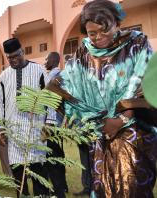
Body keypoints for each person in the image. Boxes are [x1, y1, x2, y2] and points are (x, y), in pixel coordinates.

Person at [47, 0, 157, 197]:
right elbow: (70, 81)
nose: (99, 37)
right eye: (92, 33)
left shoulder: (136, 43)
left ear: (117, 23)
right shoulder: (84, 51)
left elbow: (146, 83)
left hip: (133, 132)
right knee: (102, 186)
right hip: (100, 134)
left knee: (131, 186)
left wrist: (121, 119)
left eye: (104, 30)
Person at [0, 38, 50, 198]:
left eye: (16, 56)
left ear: (22, 52)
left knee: (39, 175)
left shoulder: (38, 70)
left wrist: (49, 125)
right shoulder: (4, 76)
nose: (13, 60)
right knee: (19, 179)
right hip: (14, 134)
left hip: (36, 131)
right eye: (9, 57)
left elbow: (49, 99)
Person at [44, 52, 68, 198]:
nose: (45, 61)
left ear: (53, 60)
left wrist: (51, 122)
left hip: (52, 122)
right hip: (53, 122)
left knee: (53, 157)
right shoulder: (53, 75)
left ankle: (59, 190)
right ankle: (62, 186)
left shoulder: (57, 76)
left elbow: (54, 101)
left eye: (46, 59)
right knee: (57, 155)